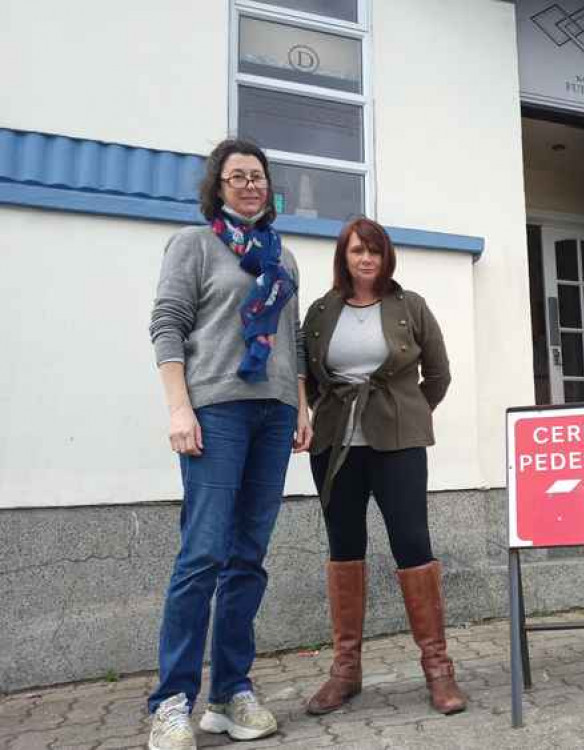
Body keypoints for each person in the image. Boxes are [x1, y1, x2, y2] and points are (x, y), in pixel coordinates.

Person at [146, 139, 313, 750]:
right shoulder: (193, 245)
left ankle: (229, 694)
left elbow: (290, 338)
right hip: (214, 413)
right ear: (218, 186)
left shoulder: (283, 257)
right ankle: (171, 702)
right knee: (202, 556)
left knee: (248, 558)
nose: (250, 185)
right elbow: (168, 324)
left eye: (258, 176)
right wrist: (178, 407)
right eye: (238, 176)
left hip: (273, 416)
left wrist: (301, 405)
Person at [301, 217, 467, 717]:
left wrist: (407, 415)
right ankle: (345, 672)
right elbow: (308, 377)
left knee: (413, 544)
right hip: (335, 446)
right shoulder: (321, 311)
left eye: (374, 250)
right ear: (344, 257)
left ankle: (439, 670)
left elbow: (438, 374)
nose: (366, 259)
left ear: (386, 255)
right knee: (344, 547)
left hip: (398, 445)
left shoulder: (409, 306)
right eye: (357, 251)